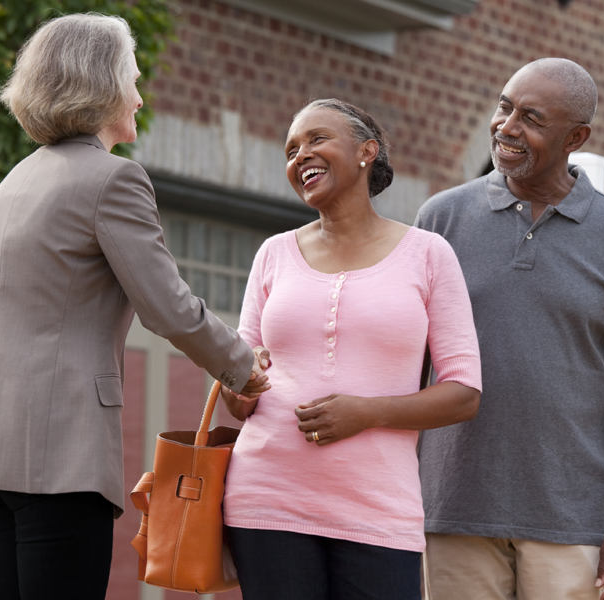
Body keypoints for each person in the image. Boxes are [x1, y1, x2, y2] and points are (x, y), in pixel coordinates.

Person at [0, 14, 267, 600]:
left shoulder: (11, 184)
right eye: (133, 80)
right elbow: (167, 306)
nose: (140, 96)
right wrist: (244, 368)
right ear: (103, 86)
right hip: (59, 452)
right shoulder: (114, 181)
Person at [415, 58, 604, 600]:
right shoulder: (440, 220)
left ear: (576, 137)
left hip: (571, 514)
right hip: (451, 503)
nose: (507, 127)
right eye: (504, 106)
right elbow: (408, 362)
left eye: (531, 118)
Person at [220, 98, 482, 599]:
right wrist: (240, 377)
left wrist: (366, 413)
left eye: (316, 139)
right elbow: (239, 401)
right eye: (291, 149)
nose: (300, 156)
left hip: (379, 509)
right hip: (267, 499)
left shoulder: (428, 255)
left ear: (367, 151)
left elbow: (464, 394)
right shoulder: (273, 254)